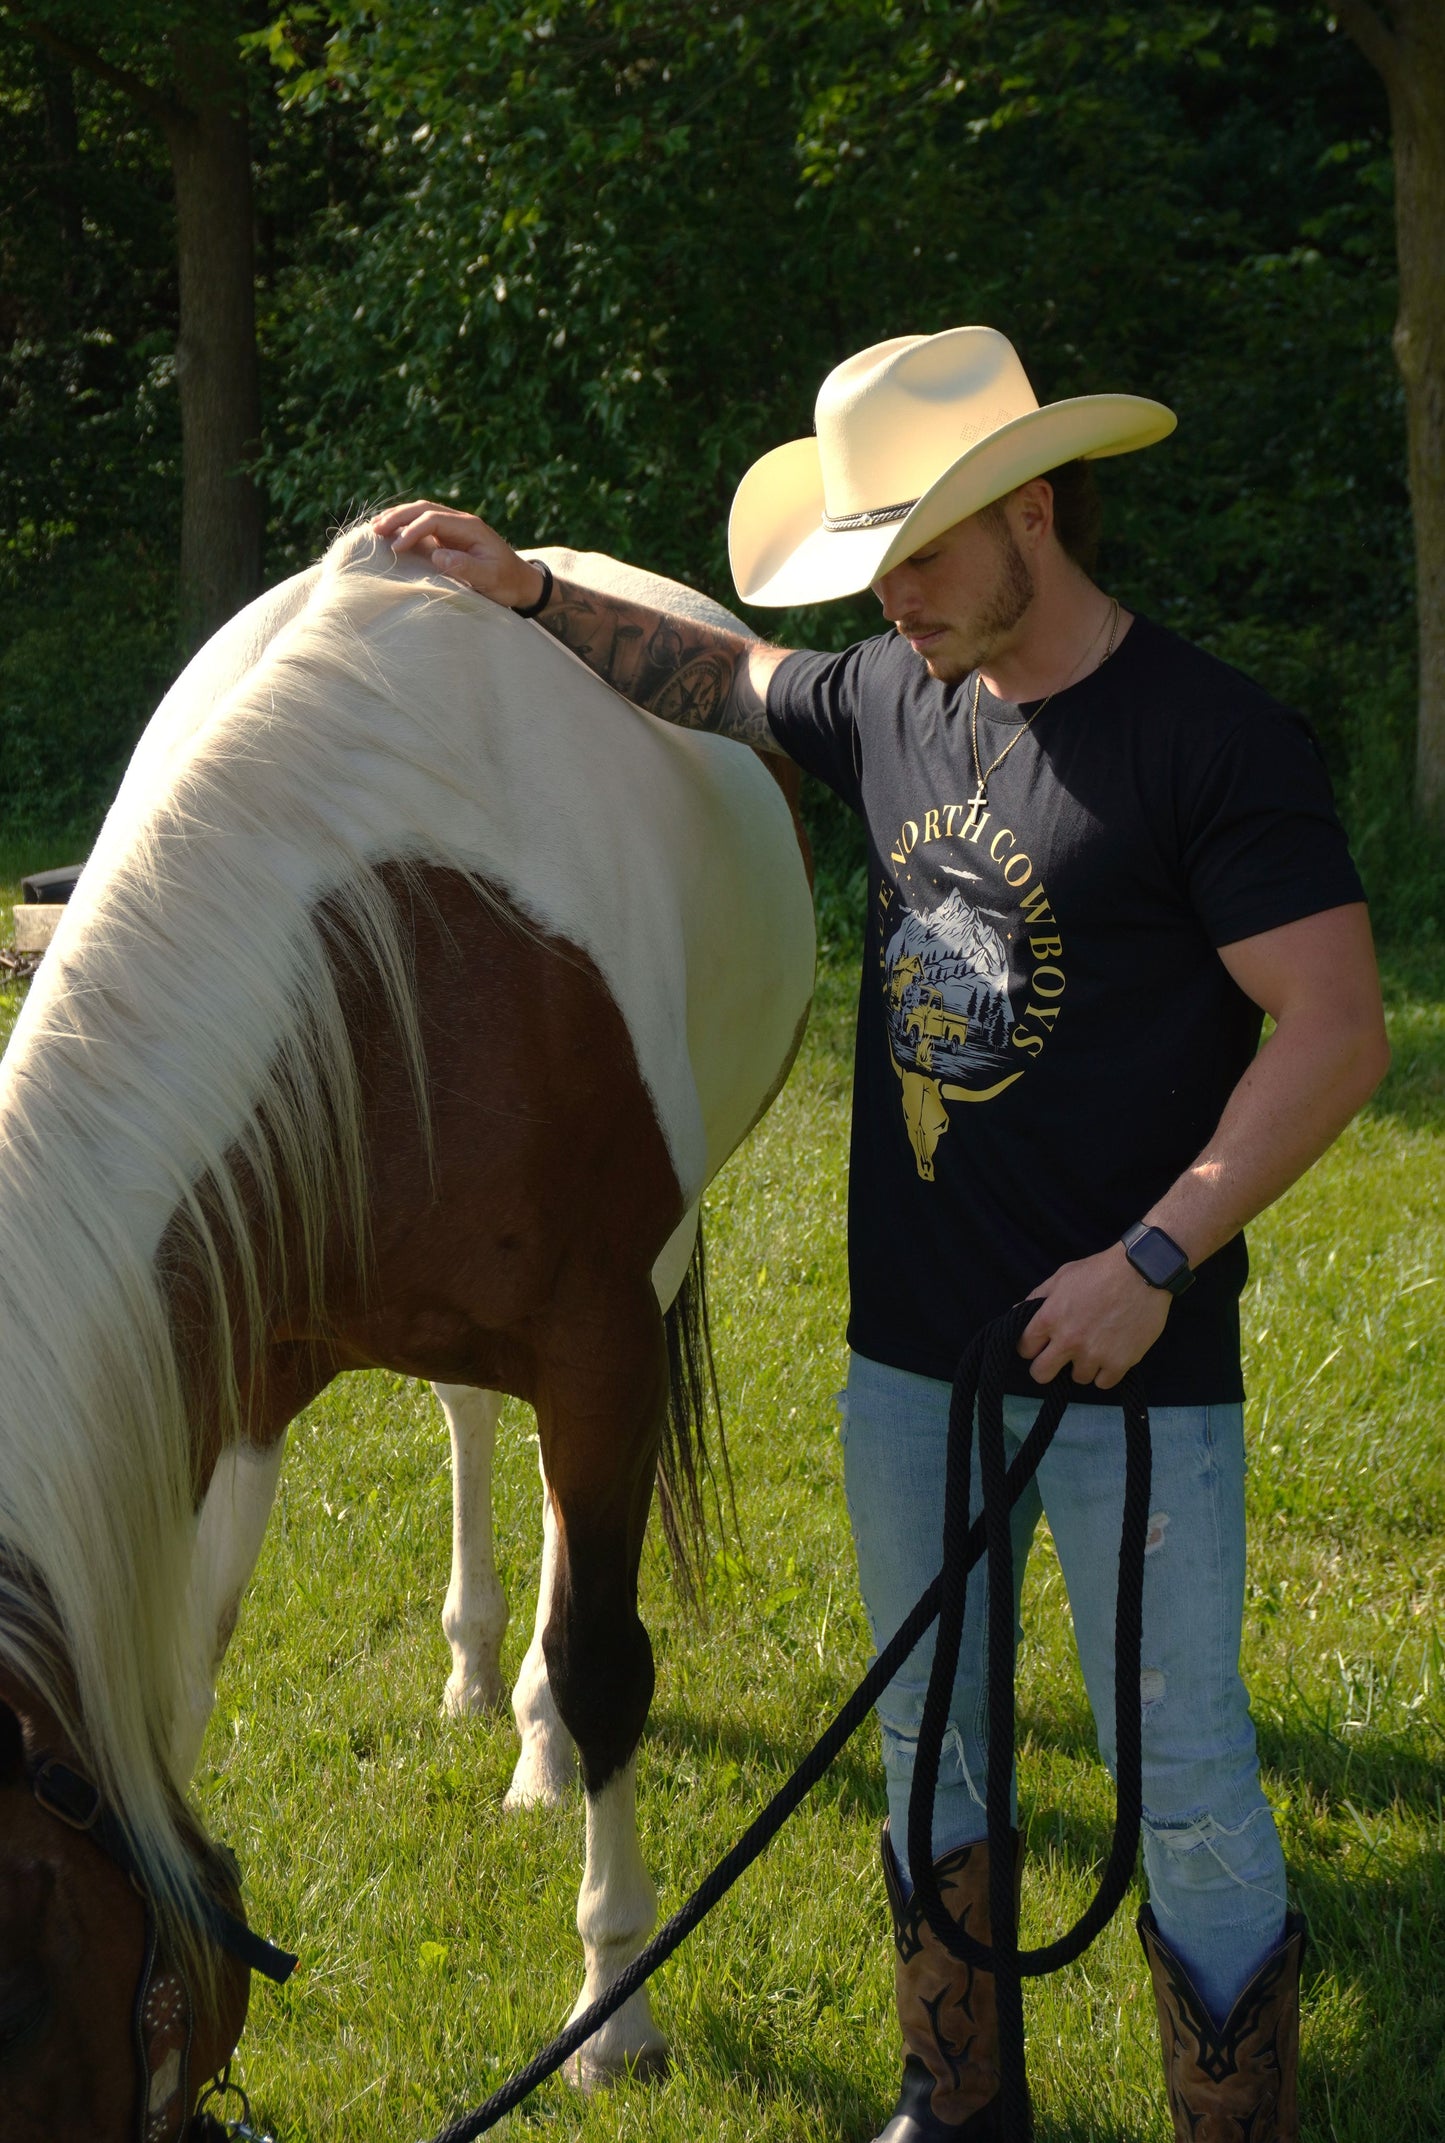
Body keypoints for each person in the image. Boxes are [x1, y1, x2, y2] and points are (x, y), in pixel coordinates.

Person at [374, 324, 1389, 2143]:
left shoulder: (1207, 739)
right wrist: (526, 590)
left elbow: (1333, 1028)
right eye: (872, 565)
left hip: (1133, 1371)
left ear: (1038, 511)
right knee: (930, 1732)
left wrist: (1154, 1262)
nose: (895, 598)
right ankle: (956, 2091)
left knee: (1187, 1778)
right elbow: (725, 676)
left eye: (922, 554)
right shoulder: (897, 701)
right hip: (912, 1359)